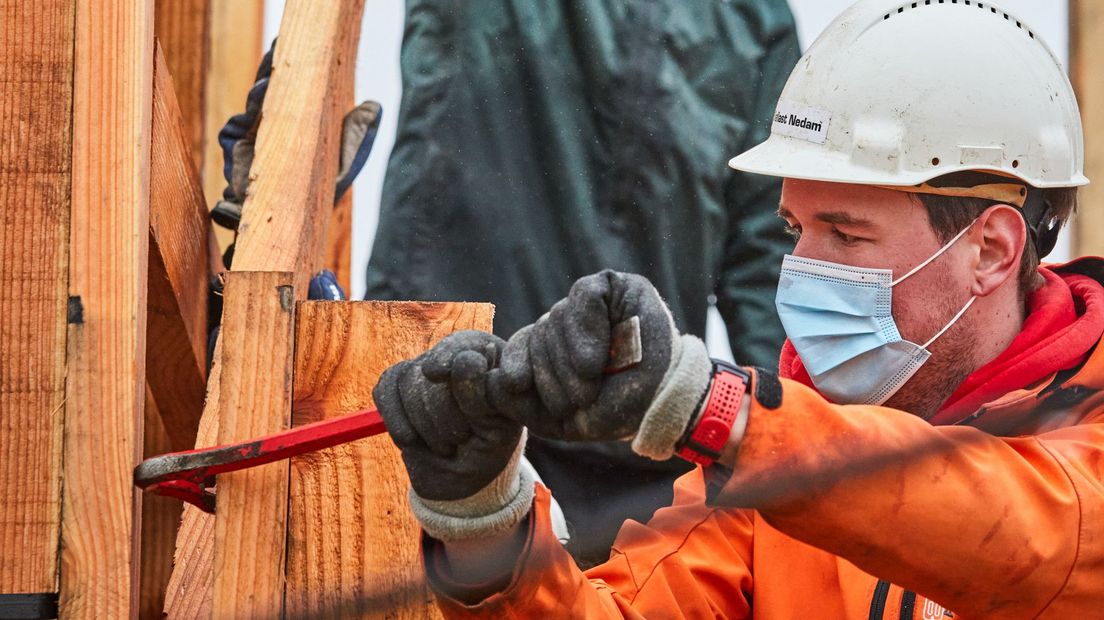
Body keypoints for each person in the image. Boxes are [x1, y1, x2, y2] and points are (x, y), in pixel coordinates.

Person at [373, 0, 1104, 617]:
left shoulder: (1085, 430)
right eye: (794, 229)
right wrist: (482, 525)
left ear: (992, 250)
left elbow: (1032, 540)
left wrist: (719, 412)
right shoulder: (764, 487)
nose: (803, 269)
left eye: (845, 232)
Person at [365, 0, 801, 564]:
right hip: (452, 408)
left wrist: (786, 446)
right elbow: (765, 258)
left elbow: (767, 250)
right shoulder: (751, 17)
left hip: (626, 432)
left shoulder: (753, 18)